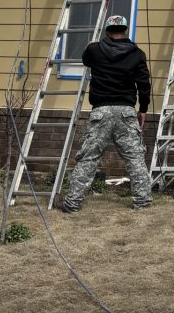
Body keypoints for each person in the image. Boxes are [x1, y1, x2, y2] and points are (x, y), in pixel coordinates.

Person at [62, 15, 153, 213]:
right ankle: (142, 201)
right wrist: (143, 109)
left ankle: (72, 203)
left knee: (88, 158)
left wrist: (90, 46)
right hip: (126, 113)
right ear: (126, 30)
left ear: (107, 31)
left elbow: (86, 59)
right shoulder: (137, 54)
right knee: (135, 158)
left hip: (100, 111)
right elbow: (144, 85)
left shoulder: (94, 50)